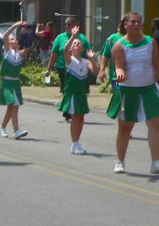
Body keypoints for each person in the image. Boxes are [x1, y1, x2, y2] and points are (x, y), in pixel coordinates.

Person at [107, 12, 159, 174]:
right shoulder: (119, 44)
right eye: (133, 22)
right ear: (125, 25)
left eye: (139, 22)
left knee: (155, 123)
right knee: (125, 127)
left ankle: (155, 162)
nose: (137, 24)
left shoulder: (150, 42)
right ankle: (120, 160)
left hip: (148, 87)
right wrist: (120, 73)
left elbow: (156, 66)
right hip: (127, 90)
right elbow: (118, 65)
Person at [57, 25, 99, 155]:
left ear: (82, 48)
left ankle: (77, 142)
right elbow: (64, 49)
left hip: (81, 93)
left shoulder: (86, 61)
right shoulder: (69, 60)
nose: (76, 44)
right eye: (74, 43)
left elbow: (96, 72)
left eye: (78, 44)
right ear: (71, 48)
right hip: (72, 92)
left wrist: (92, 58)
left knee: (81, 117)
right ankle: (74, 144)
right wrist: (73, 36)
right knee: (75, 117)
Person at [45, 17, 91, 123]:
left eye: (69, 24)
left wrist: (91, 63)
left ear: (75, 26)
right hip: (63, 67)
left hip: (79, 68)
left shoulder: (81, 38)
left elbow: (88, 51)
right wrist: (48, 69)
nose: (66, 26)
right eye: (65, 24)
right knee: (67, 90)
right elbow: (54, 54)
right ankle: (68, 112)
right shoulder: (60, 38)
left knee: (78, 91)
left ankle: (72, 111)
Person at [0, 21, 30, 139]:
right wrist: (15, 26)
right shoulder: (7, 51)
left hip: (16, 83)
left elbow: (27, 48)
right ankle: (15, 130)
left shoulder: (19, 54)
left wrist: (25, 34)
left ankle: (2, 127)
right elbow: (6, 35)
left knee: (13, 106)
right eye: (12, 40)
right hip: (7, 82)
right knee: (12, 105)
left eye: (16, 40)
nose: (14, 41)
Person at [98, 14, 129, 92]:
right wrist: (101, 71)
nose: (121, 24)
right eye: (120, 21)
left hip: (134, 76)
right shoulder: (112, 38)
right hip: (116, 76)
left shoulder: (138, 39)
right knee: (120, 100)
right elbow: (105, 56)